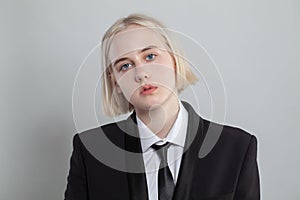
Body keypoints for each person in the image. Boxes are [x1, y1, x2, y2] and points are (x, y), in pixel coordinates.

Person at [64, 14, 260, 200]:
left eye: (150, 56)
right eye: (125, 66)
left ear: (175, 60)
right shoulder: (90, 153)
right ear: (115, 83)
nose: (141, 74)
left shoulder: (237, 147)